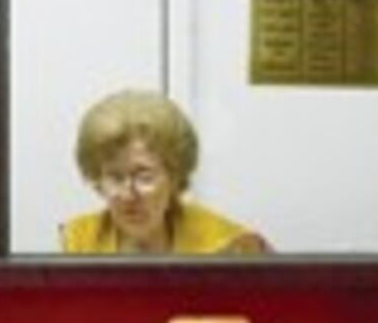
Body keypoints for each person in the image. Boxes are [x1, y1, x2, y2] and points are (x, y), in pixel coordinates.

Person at [55, 88, 266, 255]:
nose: (128, 195)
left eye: (144, 176)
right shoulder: (80, 240)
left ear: (174, 177)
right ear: (98, 180)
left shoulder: (229, 245)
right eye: (115, 177)